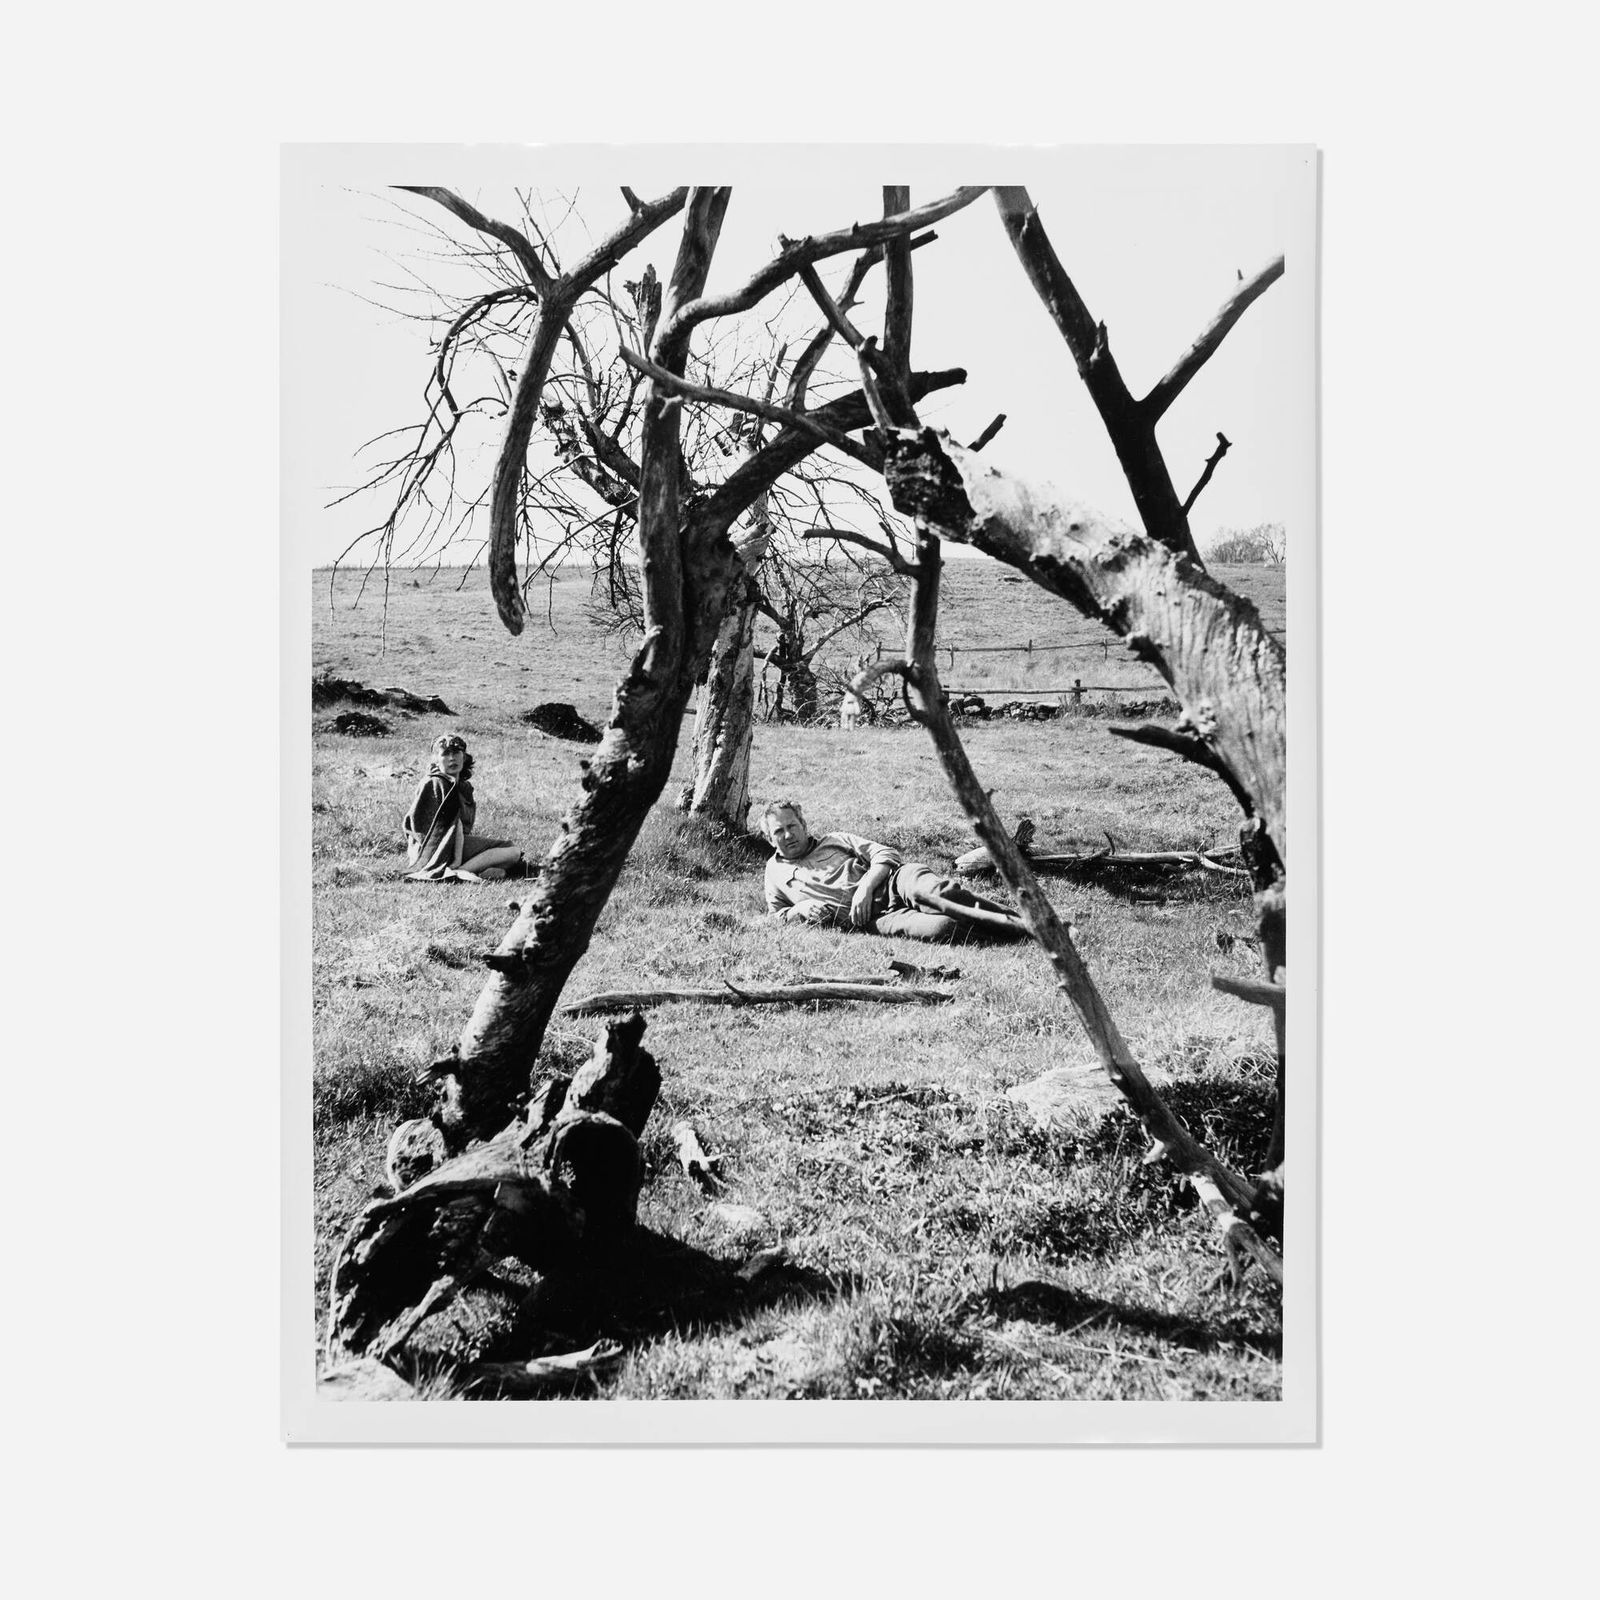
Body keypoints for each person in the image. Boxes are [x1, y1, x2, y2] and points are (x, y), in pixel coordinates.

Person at [759, 799, 1028, 943]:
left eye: (792, 826)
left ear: (803, 825)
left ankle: (1030, 926)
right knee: (942, 928)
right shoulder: (774, 872)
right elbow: (776, 916)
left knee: (939, 894)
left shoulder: (835, 839)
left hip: (894, 882)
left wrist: (865, 887)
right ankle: (1008, 934)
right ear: (770, 839)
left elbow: (885, 853)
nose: (788, 835)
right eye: (778, 831)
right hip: (872, 920)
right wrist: (798, 910)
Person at [402, 733, 526, 882]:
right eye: (445, 754)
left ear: (464, 756)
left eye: (456, 753)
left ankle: (478, 871)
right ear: (435, 760)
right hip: (436, 849)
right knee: (512, 852)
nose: (452, 758)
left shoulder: (464, 787)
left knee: (508, 849)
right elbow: (449, 827)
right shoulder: (436, 783)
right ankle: (459, 870)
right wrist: (456, 860)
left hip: (456, 843)